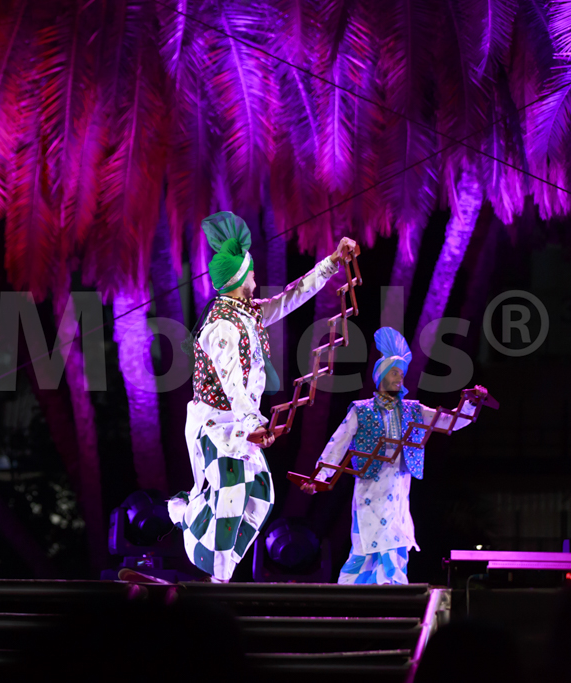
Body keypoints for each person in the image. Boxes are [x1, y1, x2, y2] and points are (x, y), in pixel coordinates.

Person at [168, 211, 356, 582]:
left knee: (261, 497)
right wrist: (254, 422)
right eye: (250, 270)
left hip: (239, 423)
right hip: (216, 426)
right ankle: (214, 573)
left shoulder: (247, 313)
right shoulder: (221, 326)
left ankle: (202, 539)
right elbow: (232, 384)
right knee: (233, 496)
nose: (256, 274)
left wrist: (332, 263)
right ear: (239, 279)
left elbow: (291, 296)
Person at [302, 327, 487, 584]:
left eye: (402, 373)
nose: (399, 378)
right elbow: (338, 444)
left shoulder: (413, 409)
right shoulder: (361, 410)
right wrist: (319, 477)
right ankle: (356, 589)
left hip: (399, 486)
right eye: (394, 372)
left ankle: (393, 587)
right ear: (381, 376)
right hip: (369, 485)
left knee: (395, 537)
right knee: (367, 542)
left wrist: (471, 403)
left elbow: (448, 422)